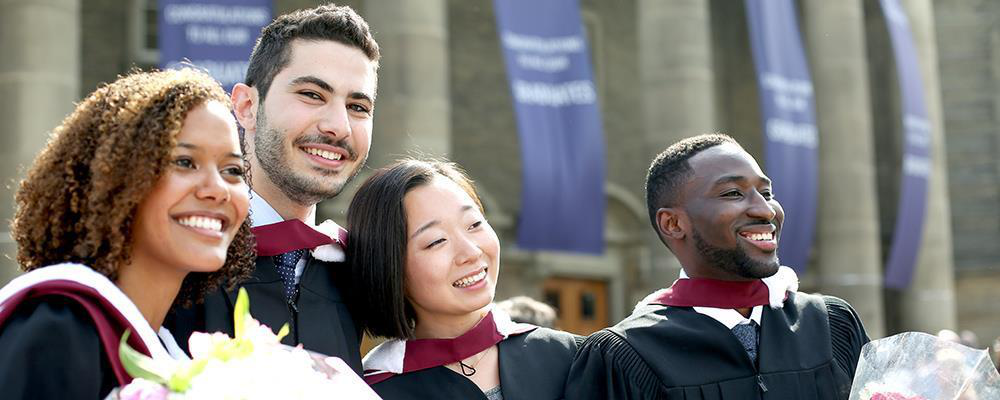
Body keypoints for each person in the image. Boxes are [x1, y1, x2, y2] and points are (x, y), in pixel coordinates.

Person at [0, 69, 254, 398]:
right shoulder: (58, 329)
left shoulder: (172, 353)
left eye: (232, 170)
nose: (218, 190)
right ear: (114, 180)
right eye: (184, 162)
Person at [565, 134, 870, 399]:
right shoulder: (627, 355)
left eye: (766, 193)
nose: (765, 210)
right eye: (733, 193)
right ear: (673, 224)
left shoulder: (831, 325)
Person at [165, 3, 380, 374]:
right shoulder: (173, 258)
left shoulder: (358, 277)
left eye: (358, 106)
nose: (339, 126)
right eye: (312, 94)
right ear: (247, 106)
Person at [347, 159, 580, 399]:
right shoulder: (372, 393)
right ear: (389, 267)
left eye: (475, 224)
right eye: (436, 241)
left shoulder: (570, 358)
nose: (471, 252)